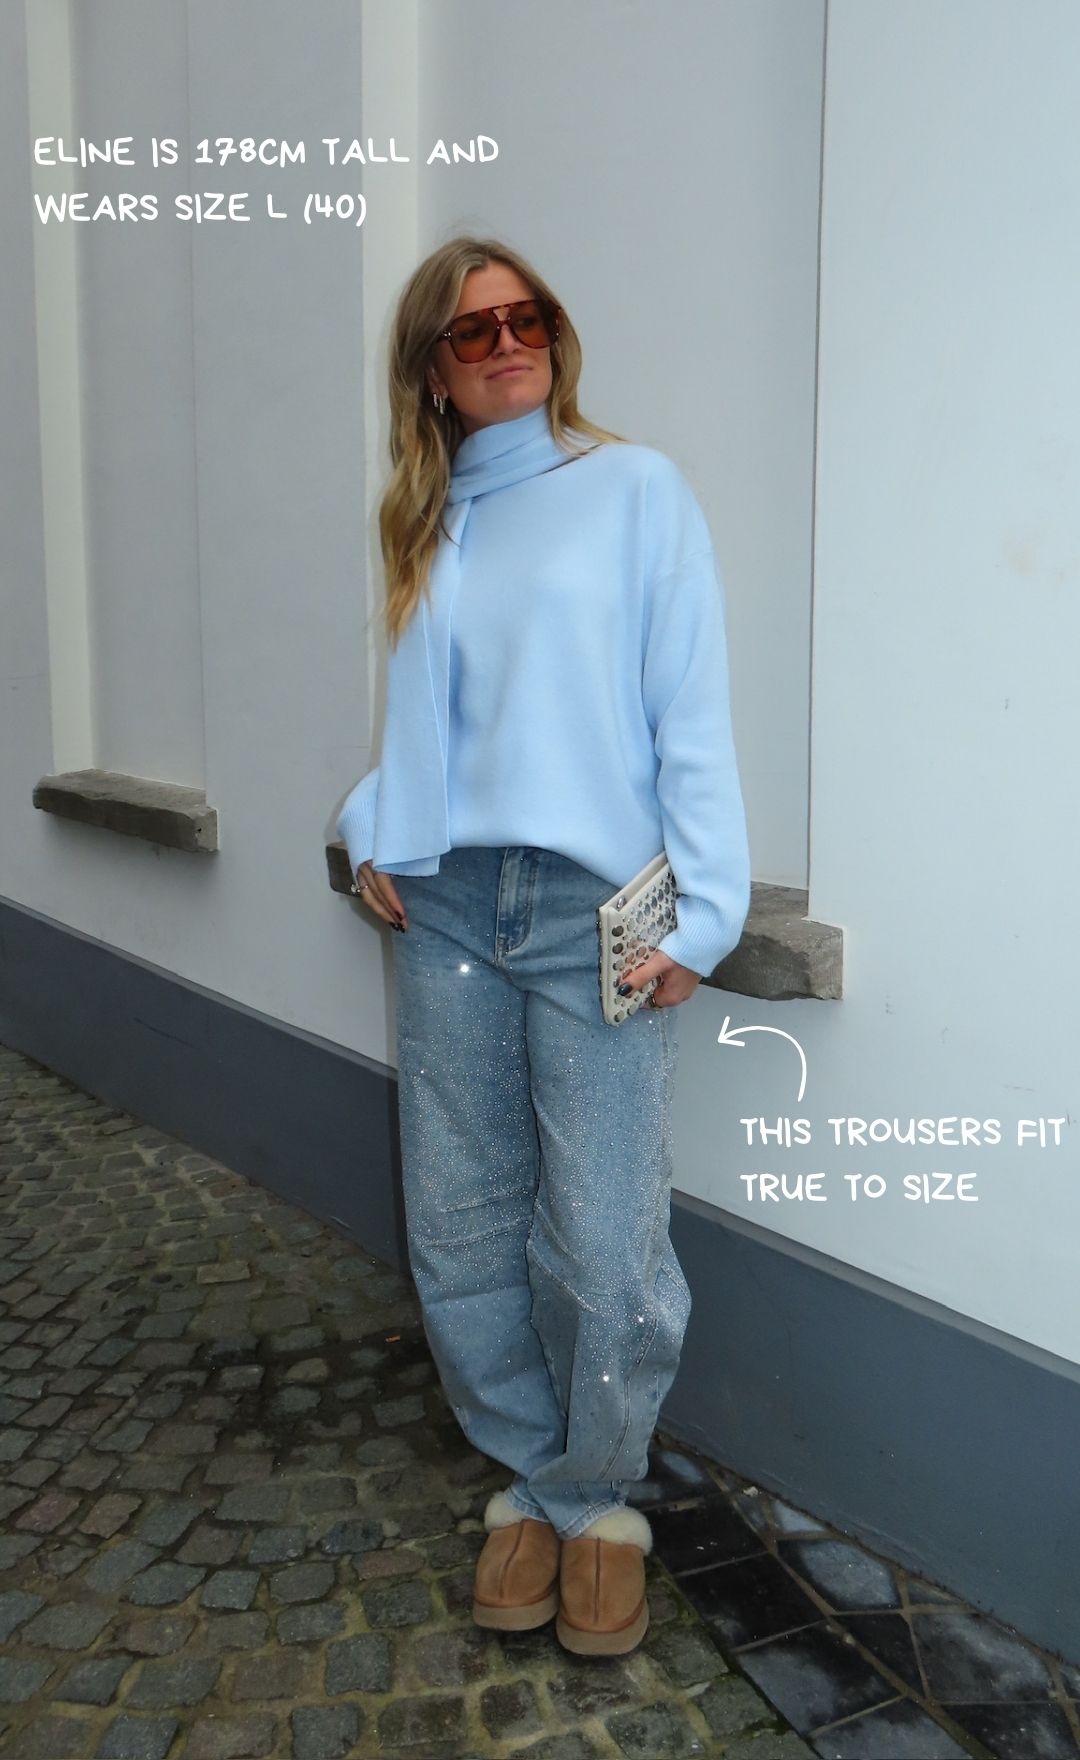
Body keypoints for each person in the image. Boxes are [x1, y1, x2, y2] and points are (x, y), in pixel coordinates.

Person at [336, 234, 751, 1656]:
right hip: (448, 899)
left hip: (595, 912)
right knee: (458, 1218)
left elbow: (688, 706)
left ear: (556, 337)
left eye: (528, 318)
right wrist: (373, 818)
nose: (508, 342)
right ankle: (525, 1469)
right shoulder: (430, 514)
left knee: (609, 1239)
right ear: (432, 374)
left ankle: (595, 1496)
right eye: (473, 331)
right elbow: (442, 719)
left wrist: (710, 909)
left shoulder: (634, 489)